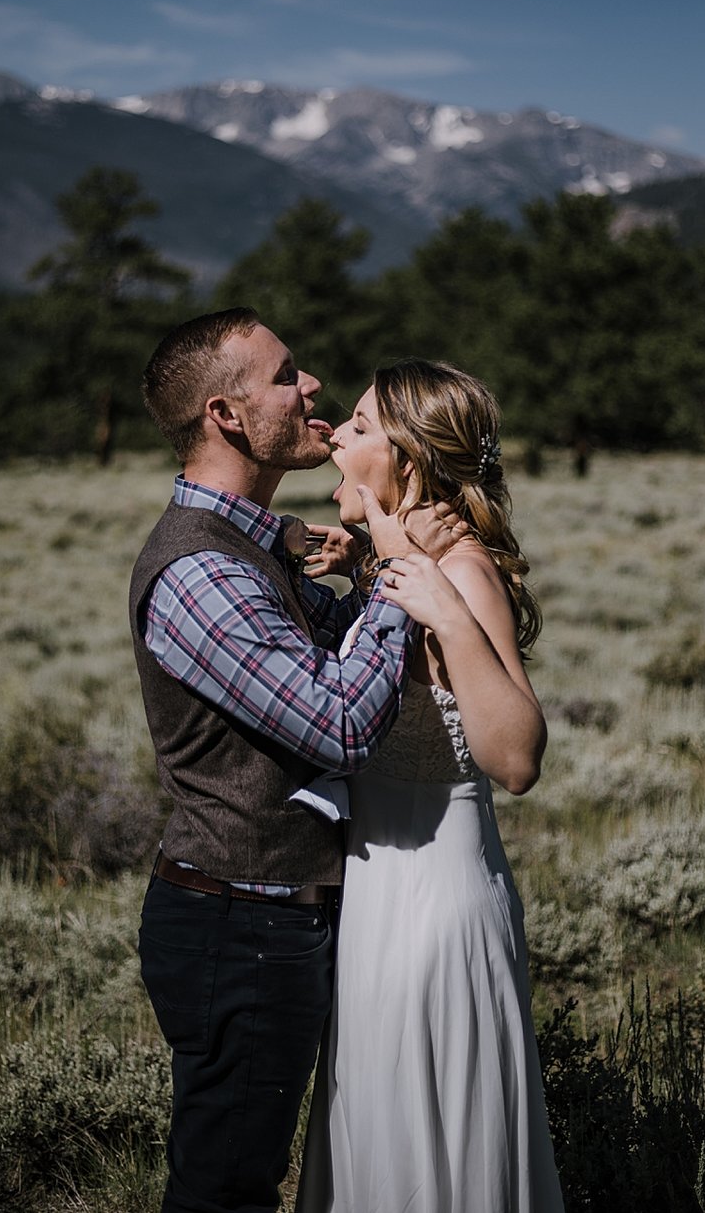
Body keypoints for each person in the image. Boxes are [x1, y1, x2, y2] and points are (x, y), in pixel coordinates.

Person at [129, 309, 461, 1213]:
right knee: (228, 1186)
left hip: (271, 917)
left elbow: (343, 661)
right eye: (285, 376)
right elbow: (342, 724)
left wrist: (366, 581)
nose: (311, 387)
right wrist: (400, 568)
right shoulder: (204, 573)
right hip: (241, 923)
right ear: (225, 416)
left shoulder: (251, 548)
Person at [296, 358, 565, 1213]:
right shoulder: (396, 565)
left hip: (432, 914)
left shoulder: (460, 570)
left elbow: (517, 758)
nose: (337, 433)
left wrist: (445, 607)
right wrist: (364, 580)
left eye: (362, 427)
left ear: (407, 465)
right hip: (376, 899)